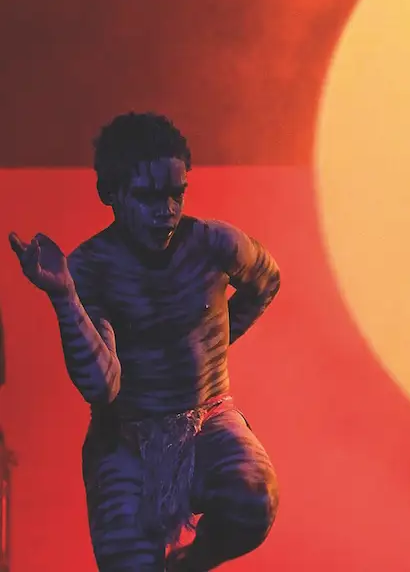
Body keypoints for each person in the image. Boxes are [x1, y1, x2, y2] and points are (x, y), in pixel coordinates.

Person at [8, 112, 281, 571]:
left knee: (253, 497)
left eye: (177, 193)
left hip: (209, 419)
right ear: (111, 194)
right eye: (149, 196)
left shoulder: (216, 243)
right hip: (126, 440)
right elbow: (103, 387)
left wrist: (216, 344)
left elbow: (267, 280)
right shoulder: (91, 268)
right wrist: (65, 296)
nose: (167, 210)